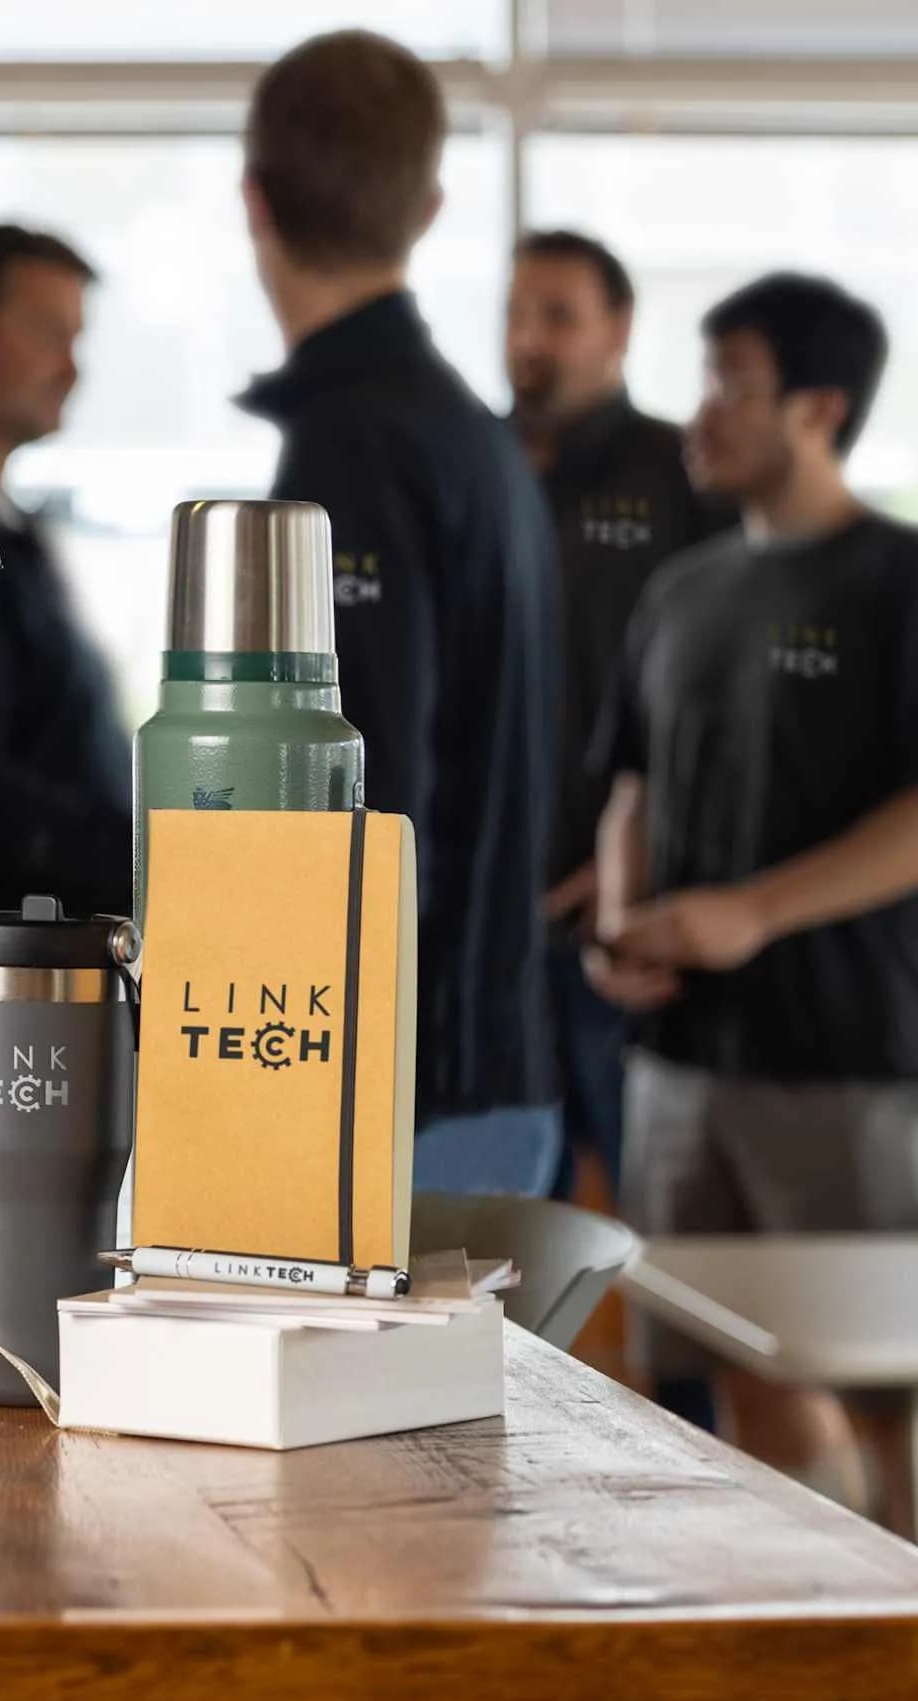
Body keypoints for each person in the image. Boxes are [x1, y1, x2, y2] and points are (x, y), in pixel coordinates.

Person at [589, 273, 918, 1516]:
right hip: (676, 1064)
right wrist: (616, 921)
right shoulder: (679, 590)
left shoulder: (896, 579)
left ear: (817, 407)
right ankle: (816, 1610)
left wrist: (756, 911)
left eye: (731, 385)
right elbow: (629, 784)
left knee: (884, 1388)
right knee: (732, 1367)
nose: (700, 415)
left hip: (845, 1062)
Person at [234, 29, 562, 1193]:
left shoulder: (358, 447)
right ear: (425, 210)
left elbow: (353, 795)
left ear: (252, 200)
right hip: (479, 1063)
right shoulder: (470, 438)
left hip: (401, 1087)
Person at [505, 229, 738, 1198]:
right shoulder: (476, 468)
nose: (529, 339)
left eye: (557, 316)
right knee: (498, 1217)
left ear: (619, 328)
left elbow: (718, 696)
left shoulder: (682, 473)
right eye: (516, 315)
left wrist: (626, 864)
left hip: (625, 908)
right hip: (485, 915)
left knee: (649, 1204)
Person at [0, 225, 133, 918]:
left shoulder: (12, 531)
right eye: (44, 333)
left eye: (76, 339)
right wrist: (149, 859)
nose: (71, 369)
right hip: (5, 947)